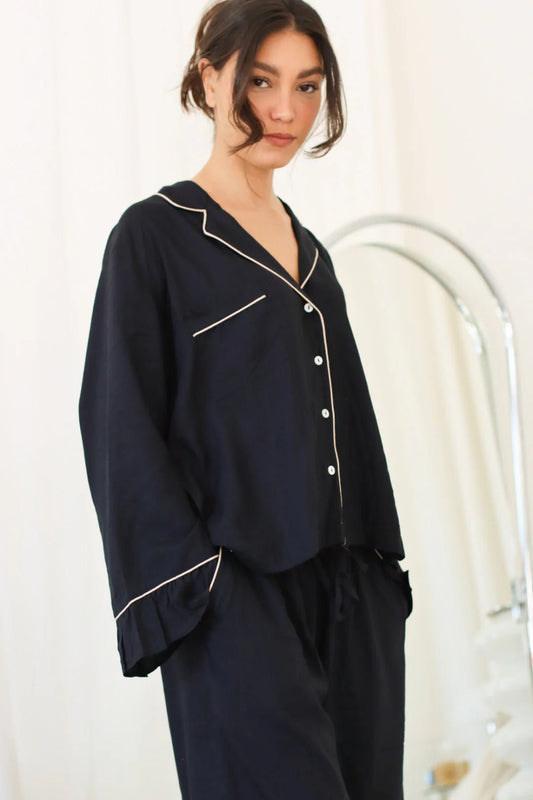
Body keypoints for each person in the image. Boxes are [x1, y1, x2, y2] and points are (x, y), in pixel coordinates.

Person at [78, 0, 413, 797]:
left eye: (306, 86)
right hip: (237, 601)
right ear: (209, 79)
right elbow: (119, 428)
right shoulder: (154, 238)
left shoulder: (312, 253)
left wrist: (378, 573)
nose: (285, 110)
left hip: (351, 597)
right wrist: (205, 592)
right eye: (261, 81)